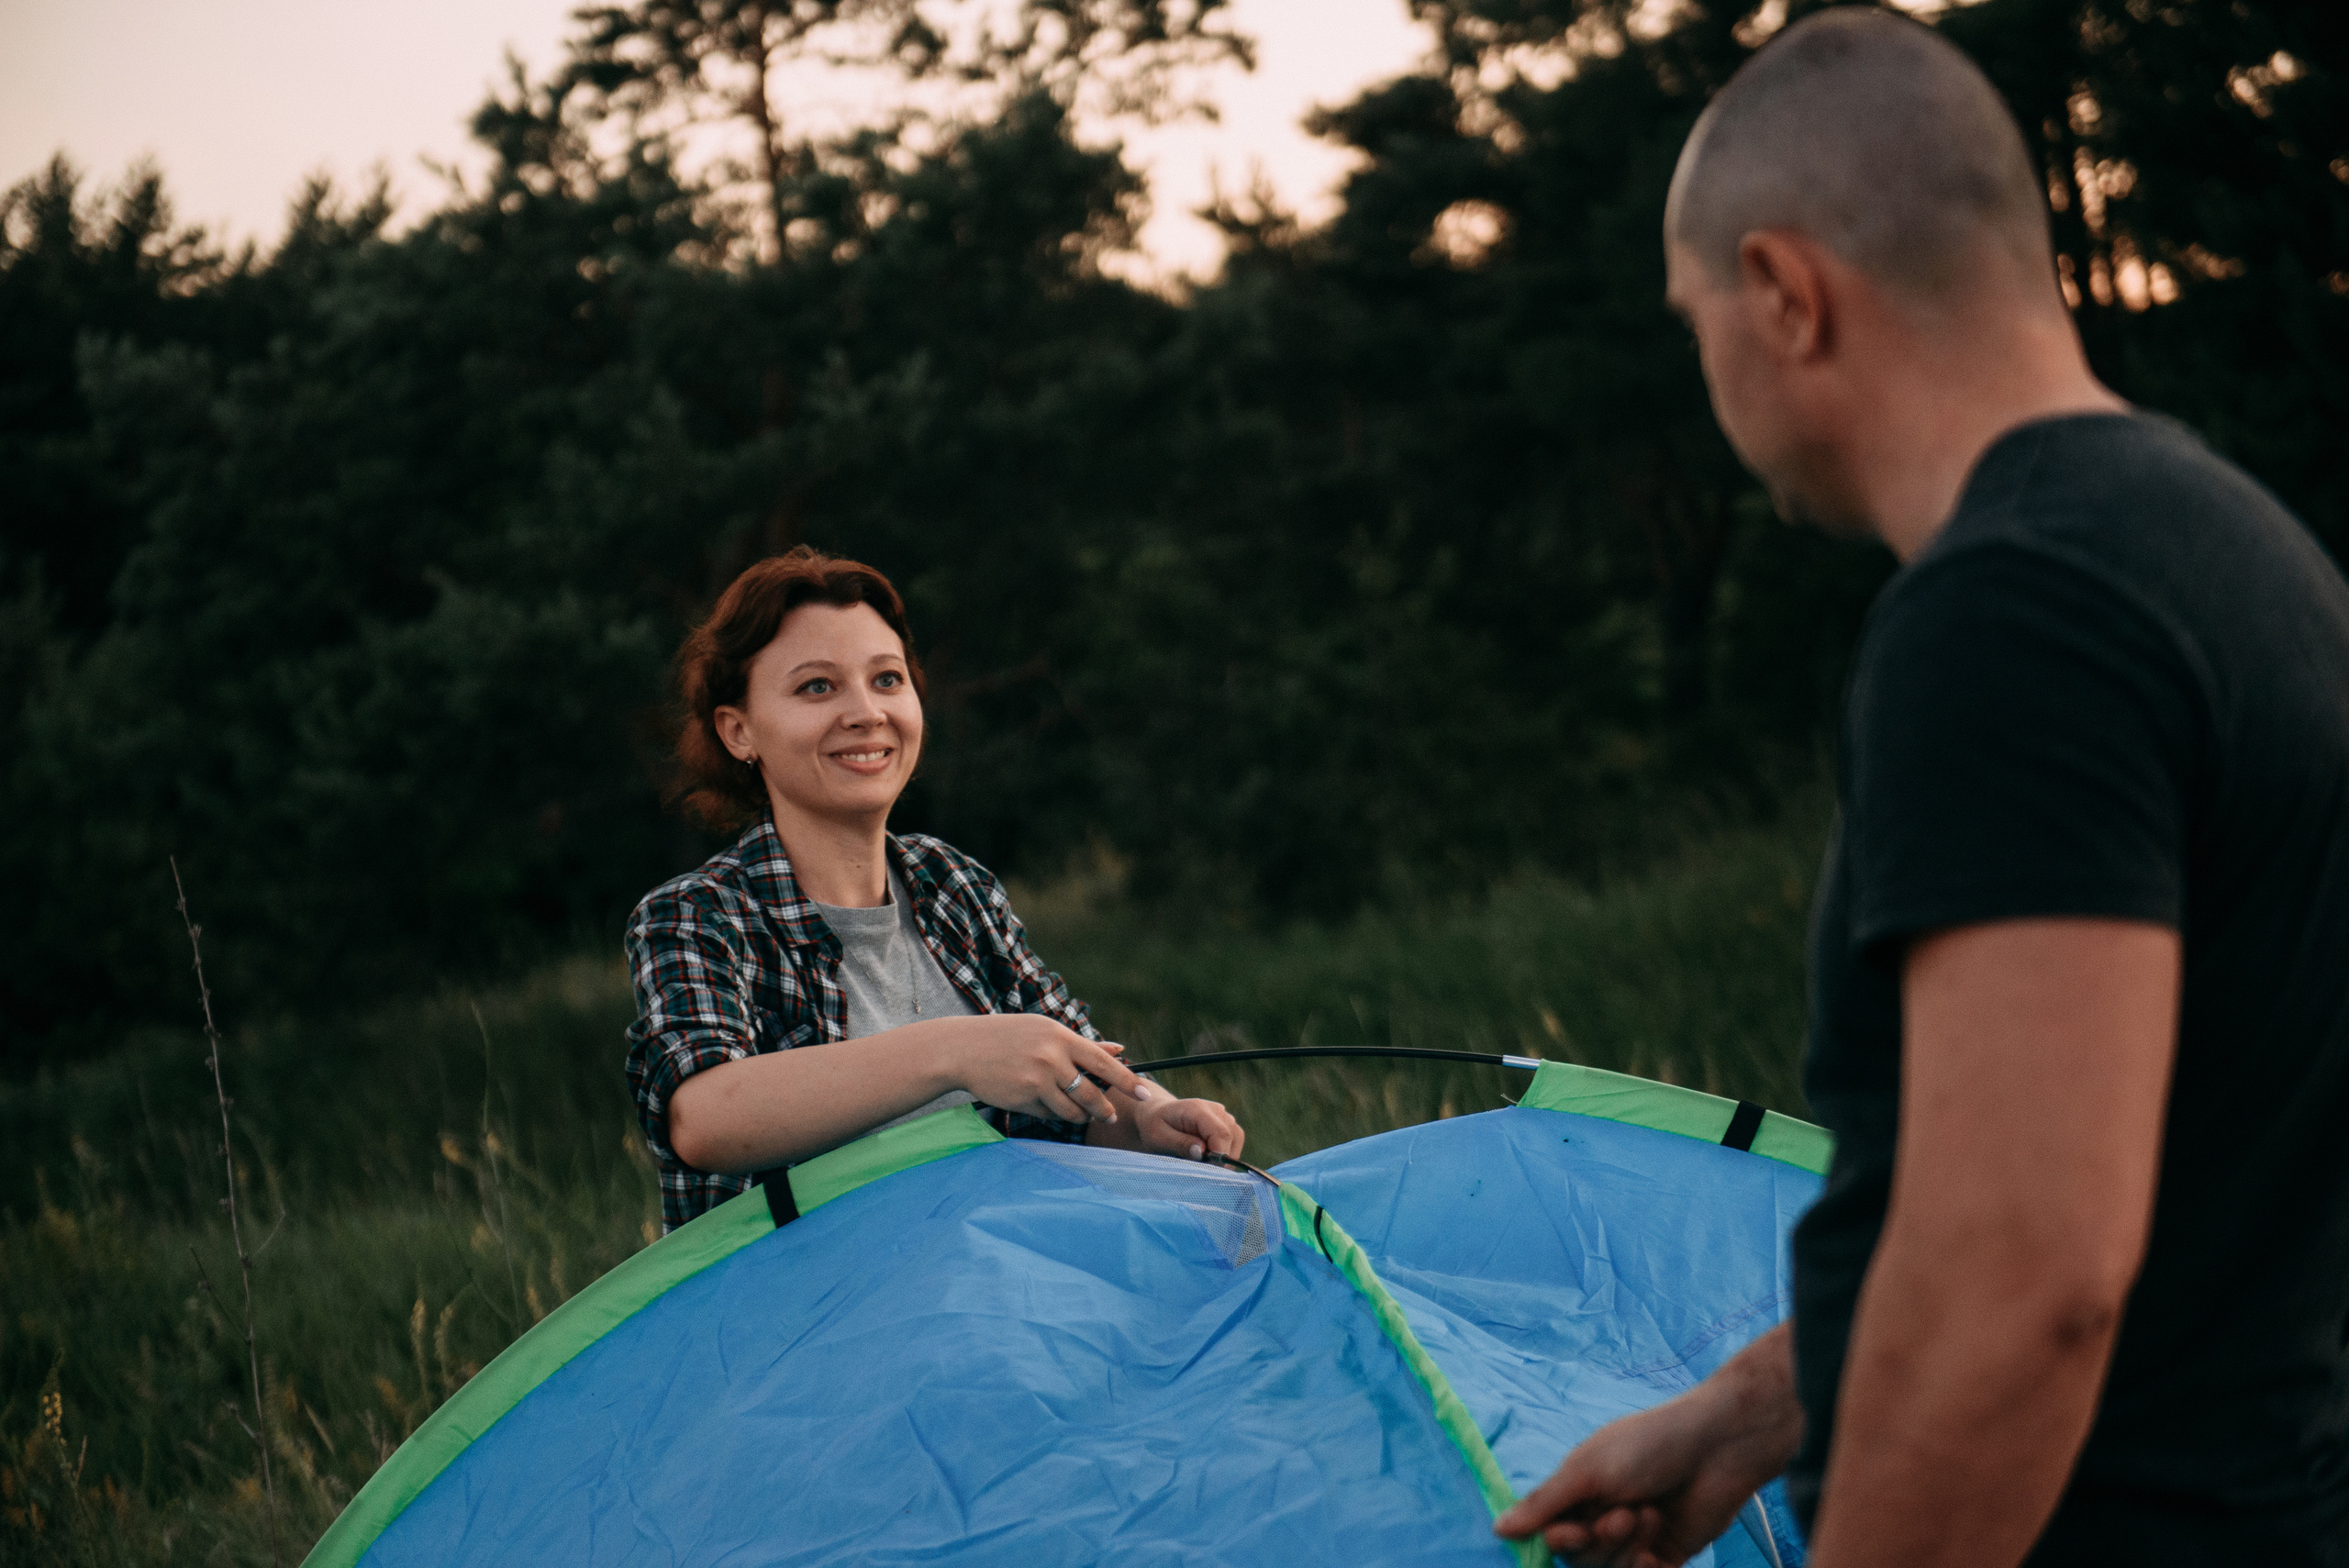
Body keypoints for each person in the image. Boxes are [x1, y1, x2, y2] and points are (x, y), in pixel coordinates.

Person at [1496, 10, 2349, 1568]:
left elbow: (2024, 1276)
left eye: (1700, 327)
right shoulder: (2240, 553)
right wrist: (1739, 1418)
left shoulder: (2014, 613)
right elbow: (2126, 1176)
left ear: (1784, 294)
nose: (1712, 379)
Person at [625, 546, 1244, 1234]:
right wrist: (958, 1052)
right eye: (817, 688)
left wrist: (1147, 1115)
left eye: (886, 679)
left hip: (1004, 1297)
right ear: (738, 730)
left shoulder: (953, 885)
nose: (866, 712)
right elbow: (707, 1117)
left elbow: (1076, 1069)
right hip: (811, 1323)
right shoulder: (696, 915)